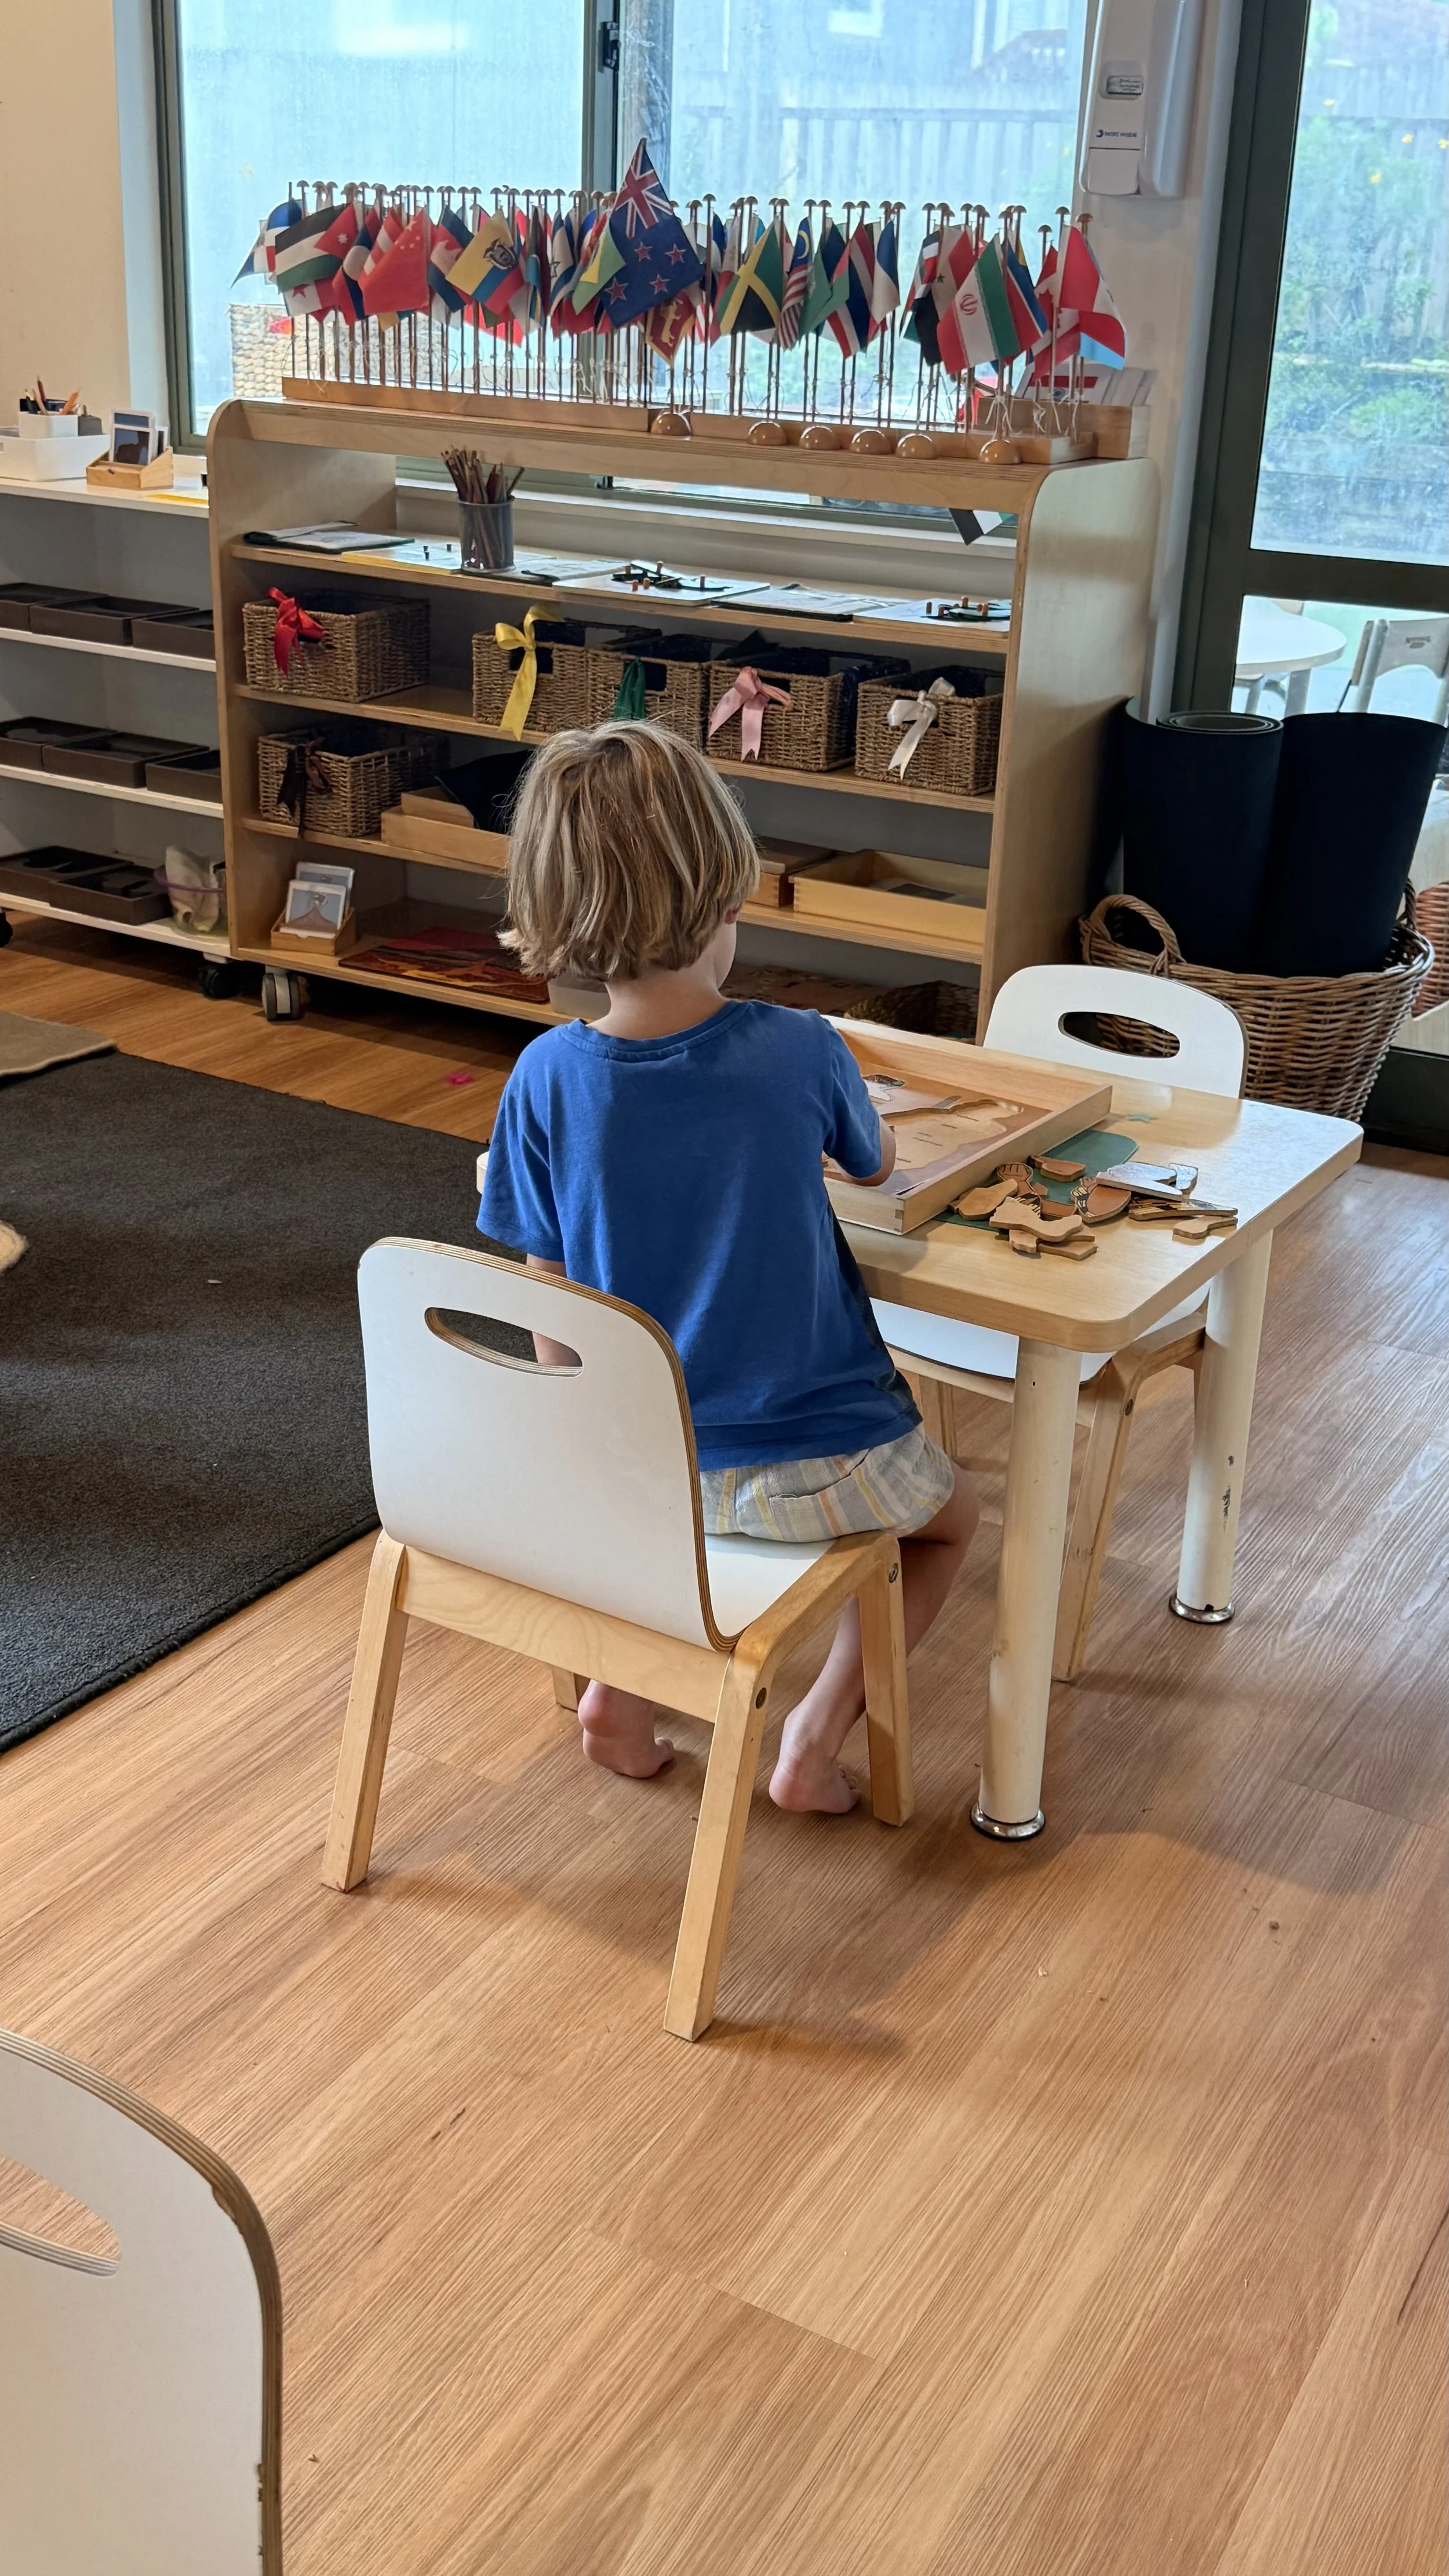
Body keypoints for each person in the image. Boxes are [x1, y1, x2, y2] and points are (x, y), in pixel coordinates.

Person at [479, 721, 978, 1814]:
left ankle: (617, 1696)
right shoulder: (802, 1046)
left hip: (645, 1479)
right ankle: (810, 1737)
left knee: (689, 1537)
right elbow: (882, 1164)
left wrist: (602, 1459)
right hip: (824, 1460)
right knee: (951, 1525)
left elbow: (552, 1308)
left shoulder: (543, 1078)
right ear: (723, 895)